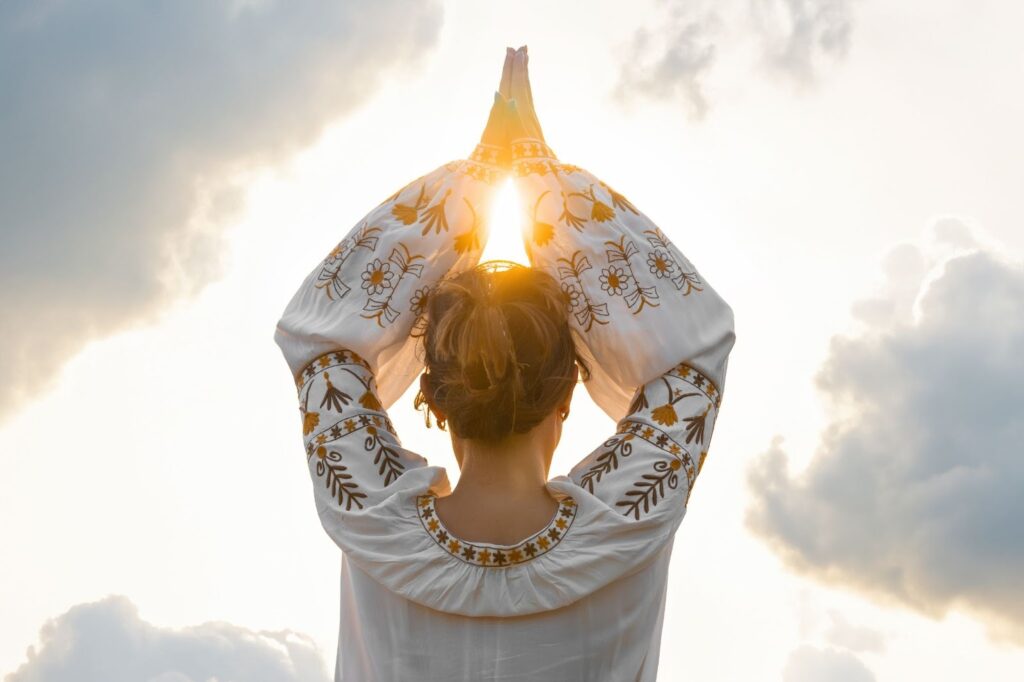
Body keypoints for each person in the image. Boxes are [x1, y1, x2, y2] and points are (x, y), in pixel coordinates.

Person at [274, 46, 736, 682]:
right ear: (572, 385)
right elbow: (695, 346)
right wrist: (544, 186)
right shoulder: (629, 522)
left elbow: (320, 332)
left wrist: (478, 180)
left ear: (431, 398)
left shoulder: (370, 519)